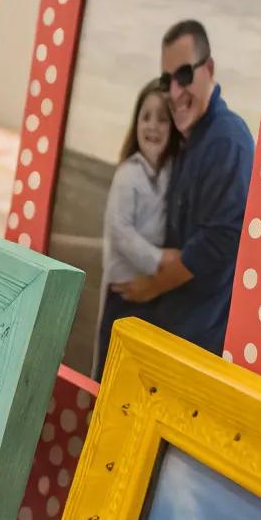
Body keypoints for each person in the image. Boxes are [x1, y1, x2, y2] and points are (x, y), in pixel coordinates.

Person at [111, 20, 254, 356]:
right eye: (167, 80)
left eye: (185, 76)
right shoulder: (189, 138)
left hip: (198, 338)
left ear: (209, 70)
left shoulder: (227, 142)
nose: (175, 92)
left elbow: (219, 240)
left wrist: (152, 286)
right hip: (170, 324)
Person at [94, 81, 175, 379]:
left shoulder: (169, 174)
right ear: (136, 123)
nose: (153, 127)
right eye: (146, 117)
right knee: (110, 372)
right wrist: (158, 261)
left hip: (153, 295)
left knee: (139, 375)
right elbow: (120, 230)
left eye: (163, 119)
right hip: (123, 293)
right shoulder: (128, 173)